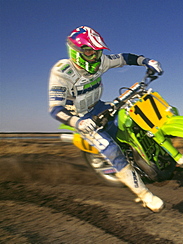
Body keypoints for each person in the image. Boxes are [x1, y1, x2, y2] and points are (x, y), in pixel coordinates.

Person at [48, 26, 164, 212]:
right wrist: (79, 123)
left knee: (135, 119)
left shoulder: (102, 61)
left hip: (100, 106)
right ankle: (145, 196)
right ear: (76, 51)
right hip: (81, 117)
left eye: (97, 51)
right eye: (88, 51)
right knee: (112, 151)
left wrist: (146, 61)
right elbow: (56, 109)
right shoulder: (62, 72)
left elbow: (124, 58)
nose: (94, 56)